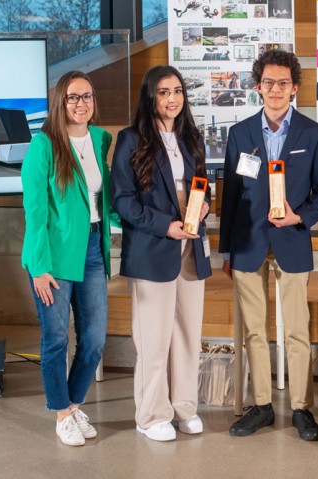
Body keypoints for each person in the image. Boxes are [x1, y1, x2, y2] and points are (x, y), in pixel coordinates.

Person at [219, 50, 318, 441]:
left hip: (293, 240)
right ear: (258, 88)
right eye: (268, 83)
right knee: (254, 329)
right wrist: (226, 252)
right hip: (248, 244)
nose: (275, 89)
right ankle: (263, 406)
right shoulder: (240, 134)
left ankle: (302, 408)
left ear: (294, 88)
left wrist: (299, 216)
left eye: (283, 83)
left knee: (297, 331)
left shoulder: (314, 134)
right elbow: (230, 195)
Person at [111, 65, 212, 442]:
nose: (172, 98)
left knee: (187, 335)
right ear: (150, 97)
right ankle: (151, 413)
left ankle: (184, 407)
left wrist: (204, 207)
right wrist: (164, 225)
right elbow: (122, 200)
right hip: (154, 248)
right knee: (153, 340)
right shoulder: (130, 139)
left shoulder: (190, 137)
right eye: (164, 92)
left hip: (191, 248)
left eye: (177, 91)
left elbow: (203, 185)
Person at [21, 71, 116, 446]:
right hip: (54, 256)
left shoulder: (99, 138)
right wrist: (39, 267)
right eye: (73, 97)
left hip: (93, 251)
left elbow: (103, 201)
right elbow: (36, 212)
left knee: (94, 338)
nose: (81, 104)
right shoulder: (43, 145)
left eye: (87, 96)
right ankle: (61, 413)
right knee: (57, 339)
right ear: (61, 101)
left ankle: (74, 405)